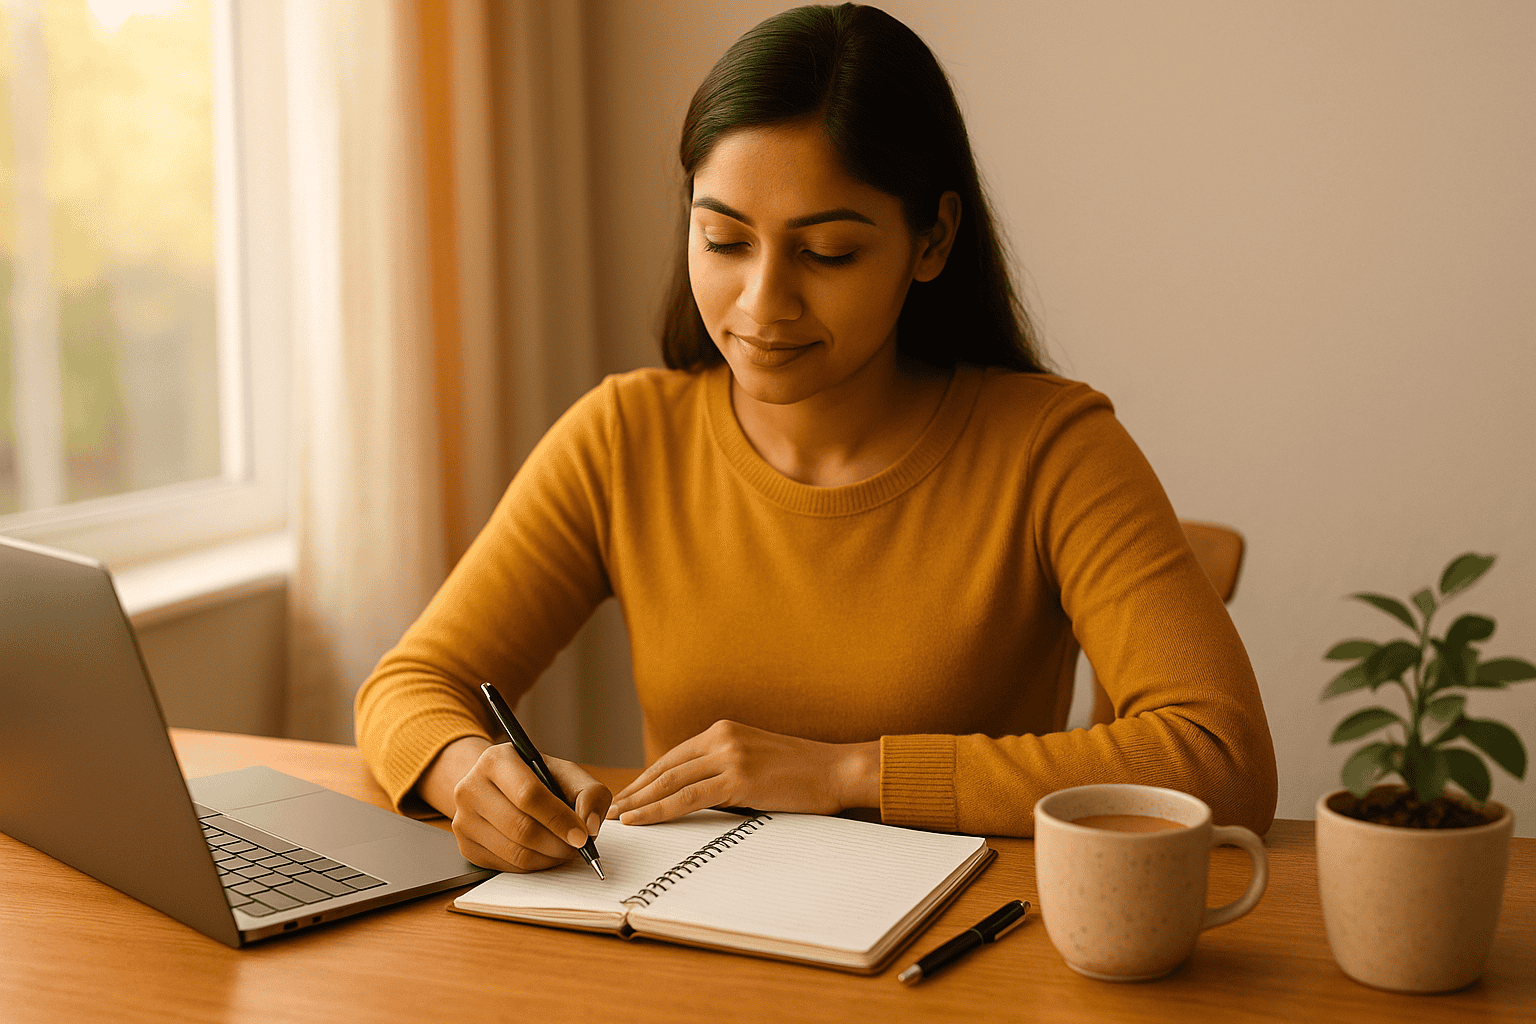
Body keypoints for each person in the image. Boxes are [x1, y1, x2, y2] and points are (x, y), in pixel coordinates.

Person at [355, 3, 1277, 874]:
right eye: (723, 241)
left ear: (932, 240)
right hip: (689, 946)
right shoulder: (622, 438)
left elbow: (1220, 757)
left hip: (962, 959)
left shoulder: (1053, 448)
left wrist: (845, 775)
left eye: (826, 253)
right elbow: (410, 685)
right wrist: (466, 772)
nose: (763, 304)